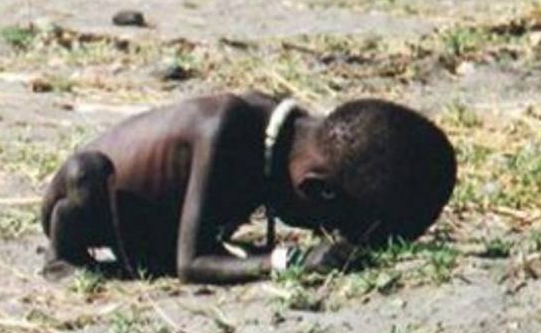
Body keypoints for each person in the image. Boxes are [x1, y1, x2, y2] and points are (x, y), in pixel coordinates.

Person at [39, 93, 457, 284]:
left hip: (149, 230)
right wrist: (288, 261)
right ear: (317, 191)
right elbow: (193, 262)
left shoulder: (284, 139)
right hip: (89, 203)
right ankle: (60, 259)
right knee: (85, 177)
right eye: (329, 225)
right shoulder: (228, 131)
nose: (321, 234)